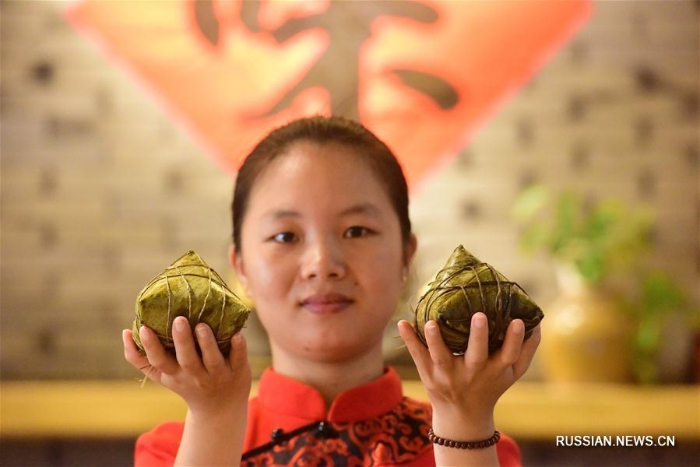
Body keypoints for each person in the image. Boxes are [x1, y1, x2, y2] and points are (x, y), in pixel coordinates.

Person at [123, 115, 541, 466]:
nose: (323, 263)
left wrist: (464, 424)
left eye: (357, 230)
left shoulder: (483, 448)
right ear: (241, 267)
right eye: (286, 236)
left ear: (405, 257)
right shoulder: (171, 452)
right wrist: (215, 419)